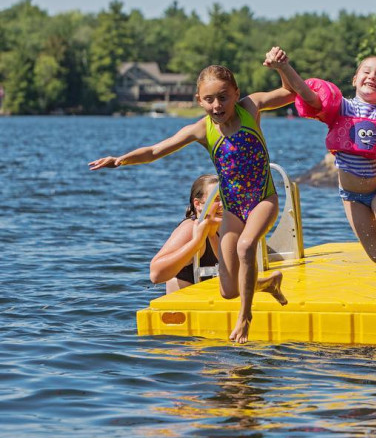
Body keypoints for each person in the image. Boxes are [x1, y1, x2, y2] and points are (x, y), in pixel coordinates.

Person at [89, 58, 293, 343]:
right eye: (209, 100)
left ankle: (245, 318)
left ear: (236, 93)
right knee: (228, 290)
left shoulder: (250, 107)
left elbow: (290, 93)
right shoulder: (202, 129)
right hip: (234, 208)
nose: (217, 106)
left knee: (246, 247)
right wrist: (120, 160)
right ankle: (267, 283)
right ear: (199, 100)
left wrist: (282, 67)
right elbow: (156, 150)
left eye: (223, 97)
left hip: (262, 199)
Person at [263, 47, 376, 267]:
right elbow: (309, 96)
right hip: (352, 196)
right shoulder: (340, 108)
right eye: (366, 71)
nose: (372, 76)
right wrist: (284, 67)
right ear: (355, 79)